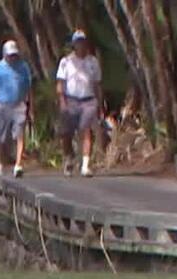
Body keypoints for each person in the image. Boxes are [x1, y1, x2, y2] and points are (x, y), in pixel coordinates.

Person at [0, 40, 33, 177]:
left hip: (19, 105)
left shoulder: (23, 67)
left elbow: (28, 88)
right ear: (4, 54)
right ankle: (1, 165)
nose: (12, 58)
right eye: (10, 55)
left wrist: (30, 106)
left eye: (14, 55)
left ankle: (18, 165)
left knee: (19, 134)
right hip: (1, 106)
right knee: (1, 139)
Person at [56, 29, 104, 177]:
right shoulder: (66, 62)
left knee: (86, 129)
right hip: (71, 100)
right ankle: (68, 158)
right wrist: (62, 101)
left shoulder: (93, 62)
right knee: (66, 133)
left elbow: (97, 84)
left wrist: (100, 103)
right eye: (78, 42)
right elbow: (60, 83)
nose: (81, 45)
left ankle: (85, 165)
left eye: (82, 42)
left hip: (88, 100)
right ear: (74, 44)